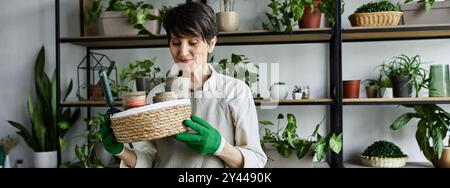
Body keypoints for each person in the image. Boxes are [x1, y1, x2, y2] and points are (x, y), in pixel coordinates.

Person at [101, 2, 267, 168]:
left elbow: (256, 162)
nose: (183, 51)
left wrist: (220, 147)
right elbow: (149, 160)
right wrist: (121, 152)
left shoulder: (235, 92)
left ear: (211, 43)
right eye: (175, 42)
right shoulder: (157, 94)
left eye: (193, 42)